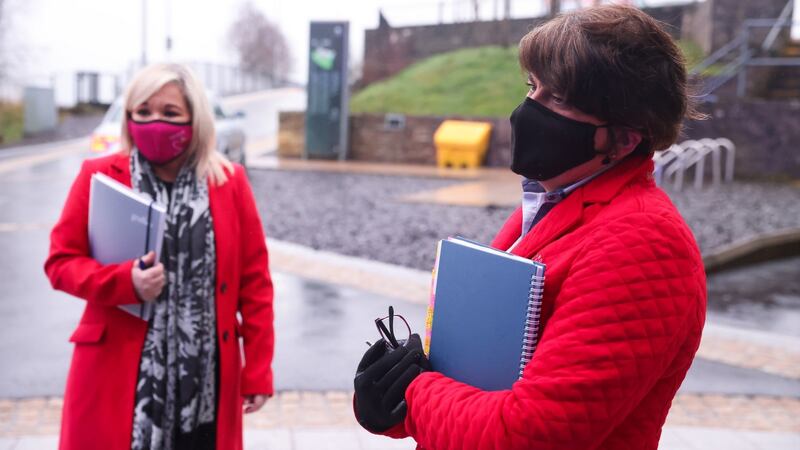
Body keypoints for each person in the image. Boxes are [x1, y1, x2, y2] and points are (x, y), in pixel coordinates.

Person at [353, 5, 707, 449]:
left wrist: (414, 391)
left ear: (624, 139)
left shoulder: (646, 243)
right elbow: (477, 378)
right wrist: (394, 408)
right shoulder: (546, 203)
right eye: (532, 87)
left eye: (558, 98)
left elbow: (528, 434)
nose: (527, 110)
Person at [45, 63, 275, 450]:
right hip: (115, 374)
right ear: (129, 117)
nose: (155, 123)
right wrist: (124, 282)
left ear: (194, 119)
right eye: (143, 112)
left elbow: (256, 286)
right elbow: (60, 263)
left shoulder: (229, 182)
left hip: (205, 378)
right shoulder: (99, 175)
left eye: (170, 114)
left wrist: (258, 370)